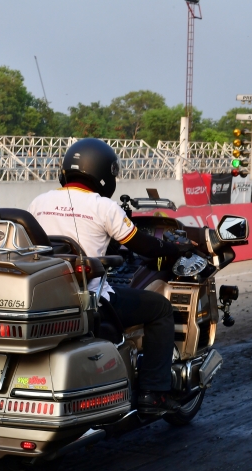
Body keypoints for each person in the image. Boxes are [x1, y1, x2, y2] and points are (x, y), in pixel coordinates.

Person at [28, 138, 191, 415]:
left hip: (50, 298)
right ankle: (154, 392)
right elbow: (143, 245)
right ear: (104, 173)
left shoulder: (39, 202)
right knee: (160, 309)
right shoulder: (103, 206)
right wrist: (175, 249)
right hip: (91, 301)